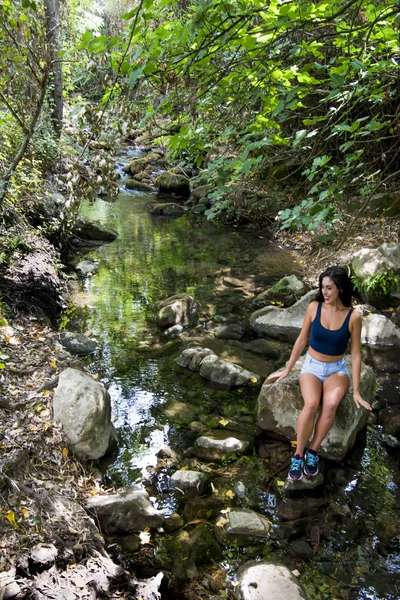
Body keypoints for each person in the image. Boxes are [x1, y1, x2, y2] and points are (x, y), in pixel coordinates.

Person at [267, 265, 372, 481]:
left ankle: (313, 451)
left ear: (341, 289)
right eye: (323, 287)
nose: (325, 292)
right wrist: (287, 368)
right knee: (312, 404)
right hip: (312, 367)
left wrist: (357, 391)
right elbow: (302, 340)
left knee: (331, 405)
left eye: (330, 288)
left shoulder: (354, 317)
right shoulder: (313, 307)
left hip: (336, 370)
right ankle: (298, 454)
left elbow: (355, 354)